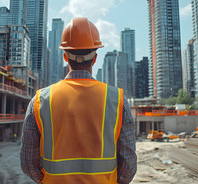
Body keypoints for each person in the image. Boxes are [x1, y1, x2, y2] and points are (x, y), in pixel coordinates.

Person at [20, 17, 137, 183]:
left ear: (65, 57)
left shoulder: (40, 100)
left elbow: (27, 163)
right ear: (95, 58)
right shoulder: (117, 100)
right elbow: (129, 164)